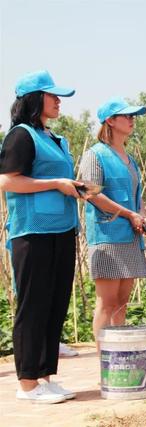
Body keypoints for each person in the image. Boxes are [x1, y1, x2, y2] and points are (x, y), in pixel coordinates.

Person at [0, 70, 80, 403]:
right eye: (53, 95)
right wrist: (56, 185)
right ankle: (27, 384)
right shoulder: (21, 136)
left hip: (62, 230)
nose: (59, 101)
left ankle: (46, 376)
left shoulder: (52, 138)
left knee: (55, 303)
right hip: (32, 233)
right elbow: (8, 181)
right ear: (35, 99)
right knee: (33, 306)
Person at [79, 97, 146, 356]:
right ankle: (104, 359)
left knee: (121, 303)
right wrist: (128, 213)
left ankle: (119, 354)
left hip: (130, 236)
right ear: (110, 120)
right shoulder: (94, 155)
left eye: (133, 116)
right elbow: (91, 193)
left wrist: (139, 215)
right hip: (107, 237)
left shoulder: (129, 158)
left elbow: (135, 195)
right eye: (126, 116)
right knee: (106, 302)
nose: (132, 120)